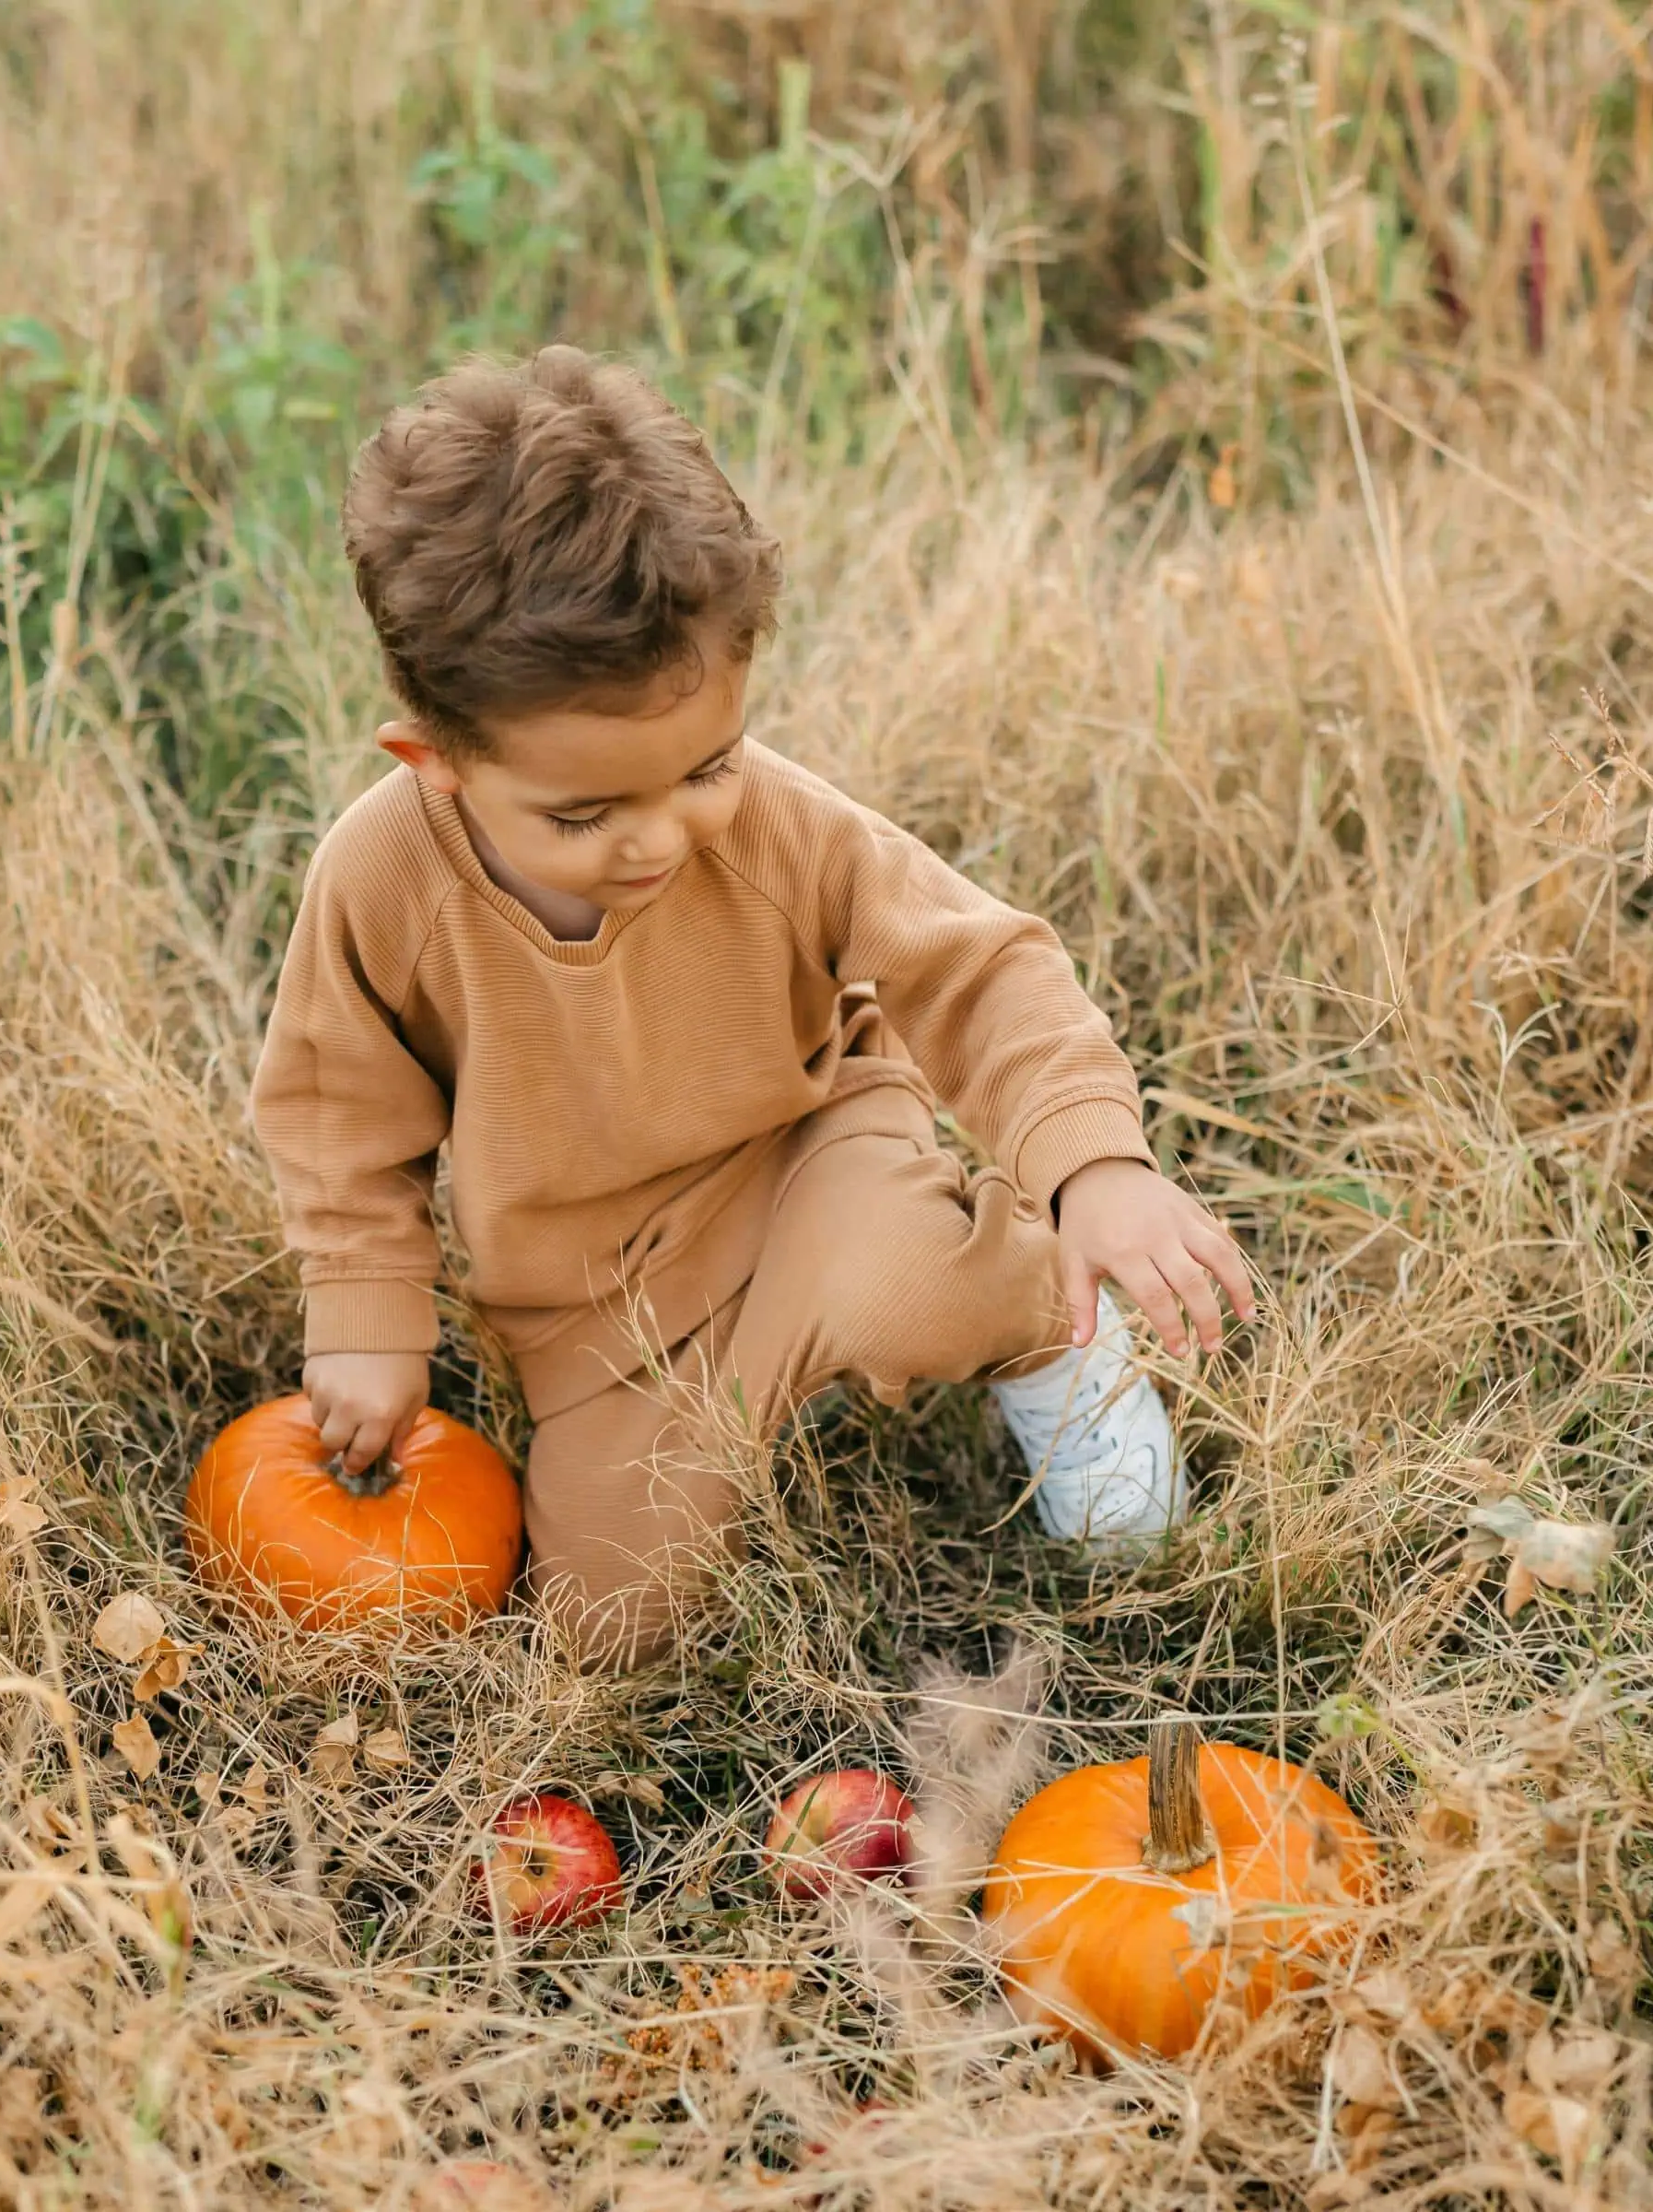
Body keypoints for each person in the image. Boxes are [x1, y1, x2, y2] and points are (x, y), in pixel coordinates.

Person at [251, 347, 1255, 1667]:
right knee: (614, 1622)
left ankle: (1035, 1329)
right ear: (436, 763)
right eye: (583, 812)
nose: (662, 836)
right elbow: (338, 1112)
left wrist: (1095, 1166)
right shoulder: (382, 881)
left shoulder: (778, 828)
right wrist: (368, 1317)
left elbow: (979, 963)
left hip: (805, 1163)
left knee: (914, 1287)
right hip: (593, 1305)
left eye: (706, 766)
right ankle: (723, 1424)